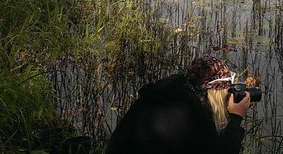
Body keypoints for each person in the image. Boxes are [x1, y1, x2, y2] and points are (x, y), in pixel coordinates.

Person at [106, 56, 252, 154]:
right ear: (215, 93)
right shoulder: (192, 116)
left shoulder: (168, 93)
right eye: (227, 92)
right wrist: (235, 118)